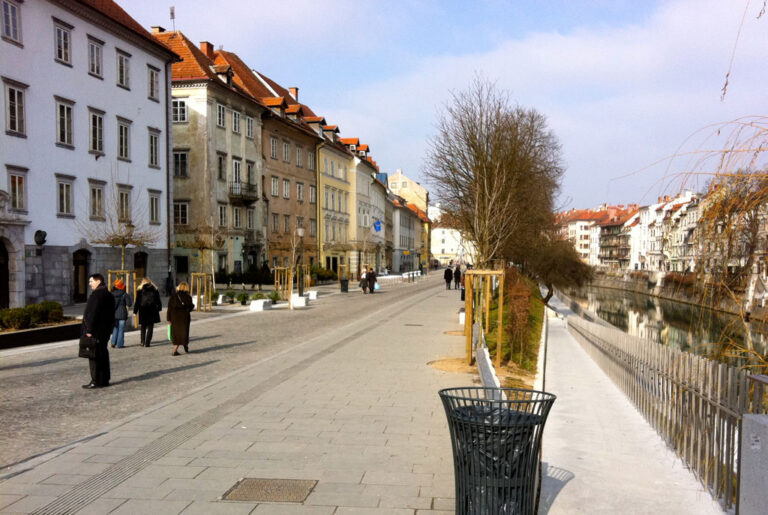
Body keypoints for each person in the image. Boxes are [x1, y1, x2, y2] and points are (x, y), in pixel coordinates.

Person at [82, 273, 115, 389]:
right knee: (103, 354)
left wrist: (89, 330)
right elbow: (111, 315)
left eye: (91, 281)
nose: (90, 284)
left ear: (98, 281)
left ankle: (96, 380)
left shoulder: (96, 295)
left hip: (95, 331)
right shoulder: (109, 295)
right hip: (105, 331)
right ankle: (104, 379)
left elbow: (92, 314)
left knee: (94, 355)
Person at [167, 281, 194, 356]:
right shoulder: (188, 297)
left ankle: (175, 349)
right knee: (184, 333)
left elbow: (169, 308)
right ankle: (185, 345)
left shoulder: (173, 296)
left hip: (174, 318)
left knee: (176, 334)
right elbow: (190, 307)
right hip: (184, 318)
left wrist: (168, 319)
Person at [134, 277, 162, 347]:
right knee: (150, 326)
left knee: (143, 326)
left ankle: (142, 341)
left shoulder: (140, 289)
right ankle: (147, 342)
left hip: (143, 310)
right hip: (152, 310)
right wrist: (159, 308)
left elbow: (137, 301)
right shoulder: (154, 289)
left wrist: (135, 311)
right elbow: (158, 300)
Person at [110, 278, 132, 349]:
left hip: (114, 314)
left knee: (115, 328)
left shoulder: (111, 294)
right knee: (121, 330)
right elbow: (129, 304)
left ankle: (113, 342)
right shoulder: (124, 294)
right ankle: (119, 344)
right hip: (122, 314)